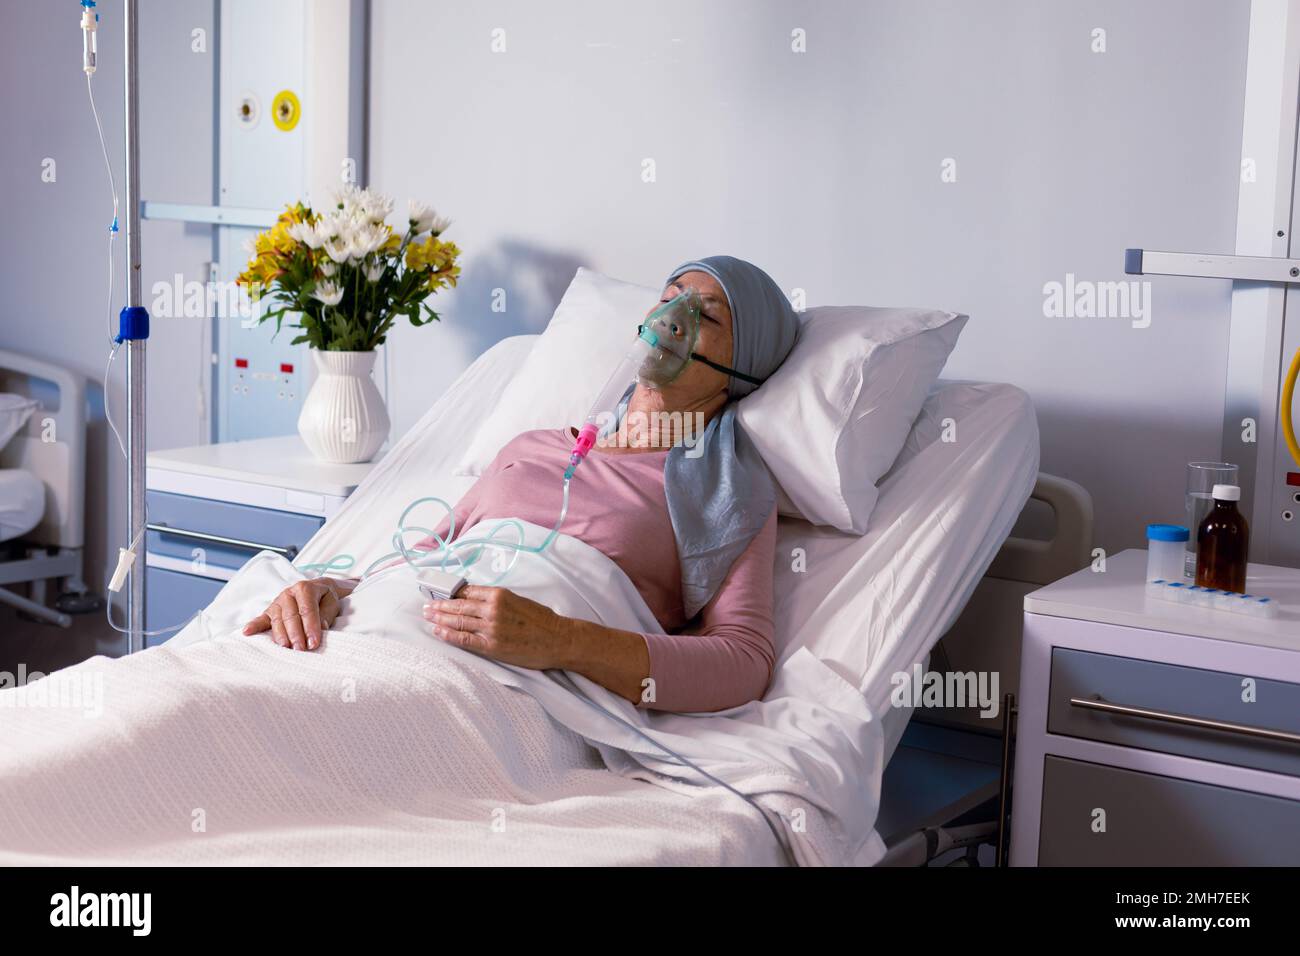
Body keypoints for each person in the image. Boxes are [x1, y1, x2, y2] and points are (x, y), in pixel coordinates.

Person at [244, 256, 799, 713]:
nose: (675, 317)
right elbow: (417, 561)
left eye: (708, 316)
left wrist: (561, 639)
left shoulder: (727, 492)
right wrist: (325, 589)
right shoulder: (532, 446)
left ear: (743, 366)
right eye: (670, 296)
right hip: (378, 635)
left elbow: (743, 661)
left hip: (492, 689)